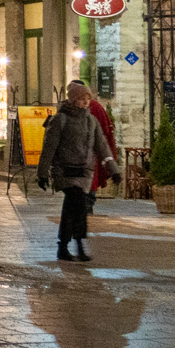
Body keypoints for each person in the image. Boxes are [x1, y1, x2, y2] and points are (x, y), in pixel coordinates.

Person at [40, 82, 120, 263]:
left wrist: (113, 170)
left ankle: (63, 246)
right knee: (78, 205)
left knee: (71, 208)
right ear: (73, 99)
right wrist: (42, 173)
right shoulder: (60, 119)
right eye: (82, 99)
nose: (85, 103)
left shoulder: (91, 121)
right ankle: (79, 245)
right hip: (65, 172)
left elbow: (102, 146)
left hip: (84, 173)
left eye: (88, 99)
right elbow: (49, 148)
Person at [75, 79, 117, 212]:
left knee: (86, 199)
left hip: (89, 162)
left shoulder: (95, 109)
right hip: (73, 166)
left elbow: (103, 141)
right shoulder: (67, 111)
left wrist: (112, 167)